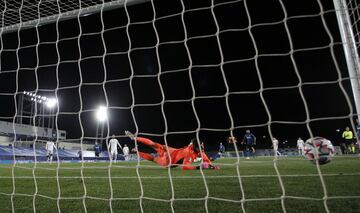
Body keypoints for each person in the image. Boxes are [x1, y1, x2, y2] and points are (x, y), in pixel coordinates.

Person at [125, 131, 219, 170]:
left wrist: (211, 165)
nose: (203, 148)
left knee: (153, 158)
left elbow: (206, 158)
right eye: (201, 146)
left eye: (202, 146)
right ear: (196, 147)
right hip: (171, 156)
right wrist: (198, 167)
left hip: (170, 159)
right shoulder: (189, 153)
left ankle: (136, 151)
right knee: (155, 146)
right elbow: (185, 167)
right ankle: (135, 138)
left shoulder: (197, 150)